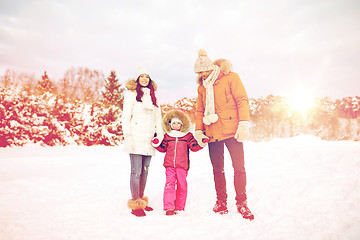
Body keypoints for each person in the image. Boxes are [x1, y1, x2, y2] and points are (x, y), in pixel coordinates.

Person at [193, 49, 254, 220]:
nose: (202, 74)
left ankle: (242, 203)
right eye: (199, 72)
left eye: (205, 70)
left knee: (239, 168)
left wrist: (243, 124)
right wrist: (199, 130)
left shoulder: (231, 78)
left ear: (211, 67)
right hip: (212, 133)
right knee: (217, 170)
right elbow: (200, 110)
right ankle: (221, 202)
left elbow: (242, 100)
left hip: (232, 130)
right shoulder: (202, 88)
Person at [122, 65, 164, 217]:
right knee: (136, 171)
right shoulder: (131, 94)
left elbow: (158, 117)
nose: (145, 79)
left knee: (145, 172)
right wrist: (128, 136)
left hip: (149, 139)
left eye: (147, 76)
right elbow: (126, 117)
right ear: (138, 79)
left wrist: (159, 134)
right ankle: (135, 203)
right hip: (135, 137)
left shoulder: (154, 96)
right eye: (142, 76)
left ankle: (141, 200)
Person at [151, 109, 206, 216]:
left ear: (182, 124)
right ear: (170, 124)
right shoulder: (168, 135)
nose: (176, 125)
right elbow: (163, 148)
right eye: (174, 123)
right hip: (169, 165)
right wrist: (156, 143)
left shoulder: (187, 136)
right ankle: (169, 207)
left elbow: (194, 147)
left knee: (182, 185)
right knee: (169, 184)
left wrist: (201, 143)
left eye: (178, 123)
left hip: (182, 165)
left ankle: (180, 206)